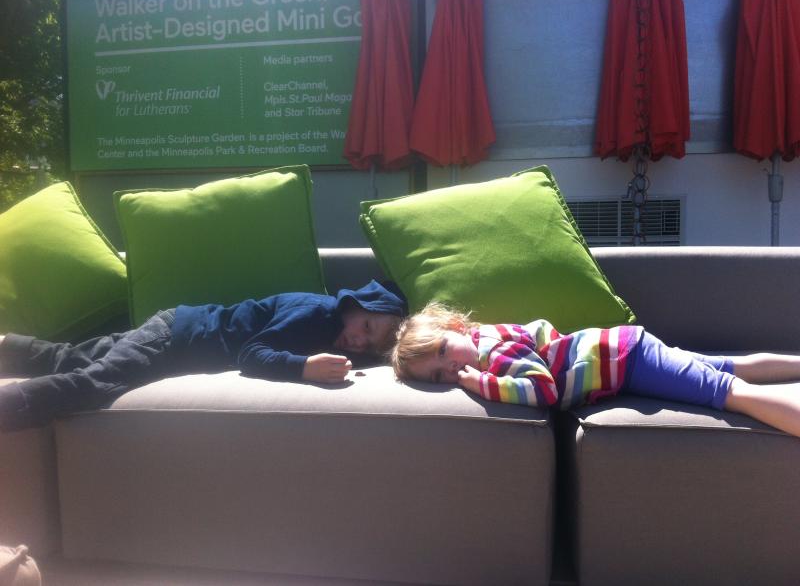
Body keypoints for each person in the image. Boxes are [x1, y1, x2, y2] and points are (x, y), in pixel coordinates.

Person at [0, 280, 406, 431]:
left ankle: (7, 346)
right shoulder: (315, 313)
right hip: (174, 341)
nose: (360, 342)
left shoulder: (338, 333)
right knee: (95, 385)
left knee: (71, 358)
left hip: (175, 326)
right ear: (354, 304)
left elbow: (383, 353)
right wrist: (302, 367)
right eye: (366, 328)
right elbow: (251, 354)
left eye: (370, 345)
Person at [391, 302, 800, 438]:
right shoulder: (487, 337)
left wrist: (481, 384)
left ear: (456, 327)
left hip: (628, 359)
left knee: (727, 392)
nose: (451, 367)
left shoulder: (493, 354)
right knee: (729, 366)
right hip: (625, 352)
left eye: (443, 350)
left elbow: (544, 390)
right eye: (438, 374)